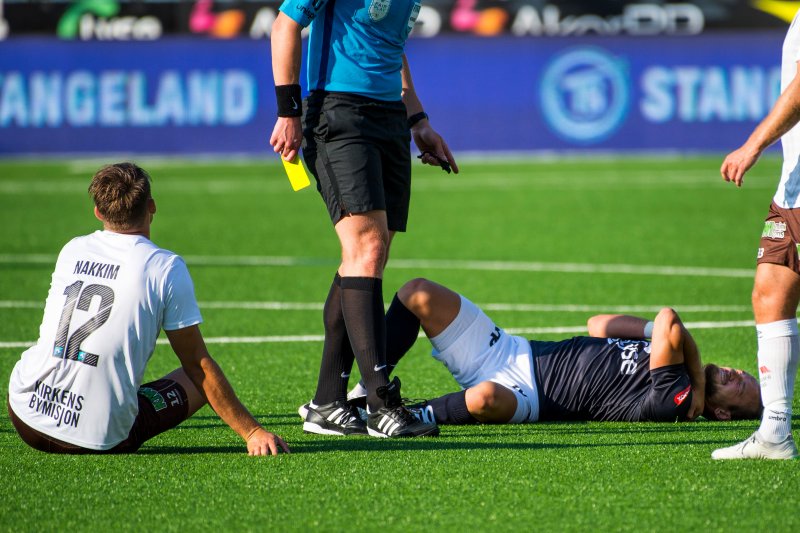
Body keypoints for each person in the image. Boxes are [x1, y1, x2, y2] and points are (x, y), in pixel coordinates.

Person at [7, 163, 289, 456]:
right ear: (151, 206)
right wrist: (252, 431)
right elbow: (196, 364)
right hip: (97, 436)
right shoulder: (164, 267)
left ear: (99, 213)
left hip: (25, 412)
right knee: (197, 378)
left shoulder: (72, 249)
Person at [268, 0, 457, 438]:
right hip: (337, 112)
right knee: (366, 250)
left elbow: (393, 47)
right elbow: (285, 25)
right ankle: (380, 404)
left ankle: (327, 402)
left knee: (369, 254)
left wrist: (418, 120)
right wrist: (289, 110)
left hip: (389, 116)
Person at [343, 278, 761, 426]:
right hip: (509, 349)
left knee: (483, 399)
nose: (738, 373)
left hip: (531, 398)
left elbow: (670, 318)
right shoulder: (671, 362)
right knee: (417, 293)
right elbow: (598, 324)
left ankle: (412, 414)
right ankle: (367, 393)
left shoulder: (677, 399)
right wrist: (658, 339)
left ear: (722, 413)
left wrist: (700, 390)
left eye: (742, 388)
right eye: (745, 373)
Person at [715, 11, 800, 459]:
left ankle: (776, 430)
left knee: (772, 290)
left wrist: (753, 145)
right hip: (794, 185)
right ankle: (775, 431)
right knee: (771, 290)